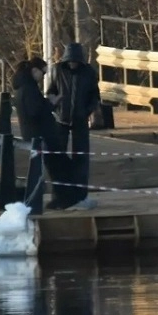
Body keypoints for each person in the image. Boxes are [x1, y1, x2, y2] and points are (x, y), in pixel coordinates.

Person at [12, 57, 81, 209]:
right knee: (58, 166)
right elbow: (35, 111)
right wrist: (51, 103)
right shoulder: (29, 88)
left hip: (35, 134)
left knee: (56, 166)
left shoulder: (23, 87)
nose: (42, 77)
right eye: (42, 74)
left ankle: (63, 198)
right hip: (42, 134)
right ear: (34, 70)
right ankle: (66, 198)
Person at [46, 43, 101, 210]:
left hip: (80, 120)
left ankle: (80, 196)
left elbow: (95, 96)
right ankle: (59, 196)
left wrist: (86, 111)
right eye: (70, 61)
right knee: (58, 159)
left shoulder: (88, 72)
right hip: (61, 119)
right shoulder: (57, 70)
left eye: (75, 61)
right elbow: (51, 91)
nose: (72, 64)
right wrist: (55, 106)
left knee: (81, 159)